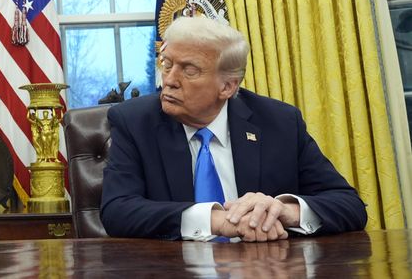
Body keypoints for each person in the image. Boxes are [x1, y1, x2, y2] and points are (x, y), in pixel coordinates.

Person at [100, 15, 367, 242]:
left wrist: (283, 211)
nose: (169, 80)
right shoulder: (134, 121)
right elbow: (117, 211)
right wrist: (217, 220)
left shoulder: (279, 122)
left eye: (189, 70)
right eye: (167, 64)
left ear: (227, 87)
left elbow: (349, 205)